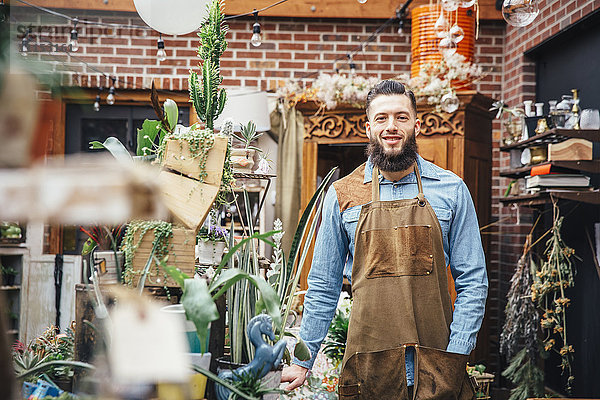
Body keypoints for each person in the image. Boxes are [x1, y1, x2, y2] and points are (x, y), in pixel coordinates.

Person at [281, 80, 488, 399]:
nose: (391, 126)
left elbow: (473, 281)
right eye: (381, 118)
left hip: (437, 366)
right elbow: (323, 285)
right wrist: (302, 362)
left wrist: (457, 353)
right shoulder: (343, 195)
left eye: (401, 117)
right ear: (368, 127)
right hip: (368, 369)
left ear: (416, 125)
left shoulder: (451, 190)